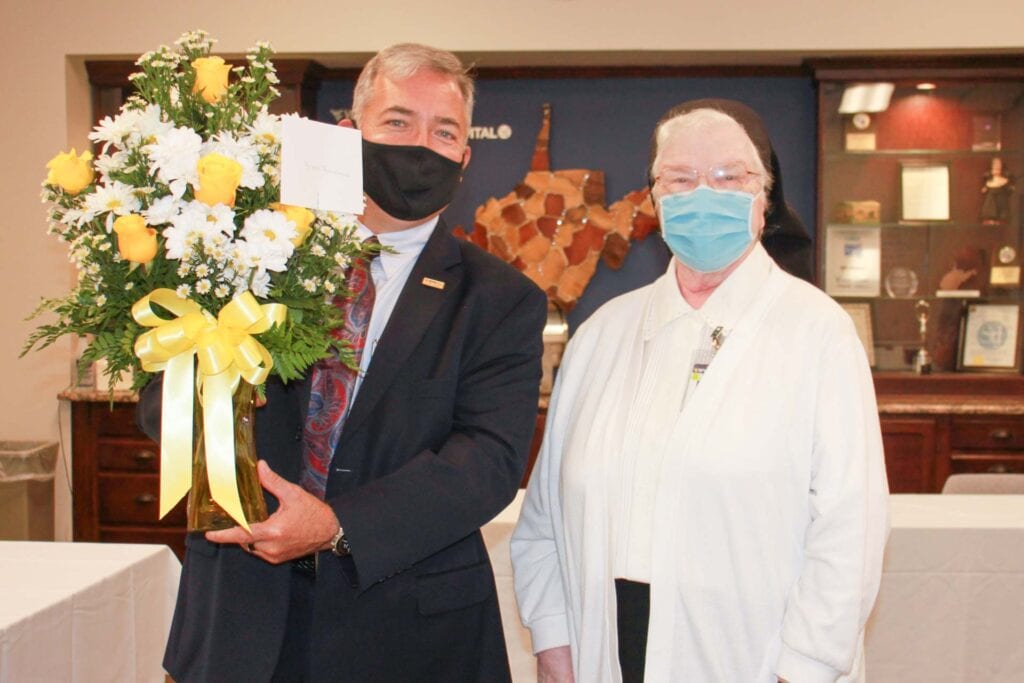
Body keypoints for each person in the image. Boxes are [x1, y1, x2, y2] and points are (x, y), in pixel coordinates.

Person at [139, 43, 547, 682]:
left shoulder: (500, 300)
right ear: (348, 134)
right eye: (398, 122)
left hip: (408, 636)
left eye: (445, 132)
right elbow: (161, 403)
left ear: (465, 158)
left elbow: (487, 463)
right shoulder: (247, 255)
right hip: (239, 623)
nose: (420, 145)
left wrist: (335, 525)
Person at [511, 99, 889, 683]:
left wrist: (804, 668)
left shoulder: (818, 333)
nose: (703, 195)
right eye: (680, 179)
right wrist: (553, 640)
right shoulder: (601, 335)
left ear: (765, 197)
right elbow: (544, 517)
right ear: (655, 199)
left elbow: (849, 532)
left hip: (757, 657)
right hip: (603, 648)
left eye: (729, 177)